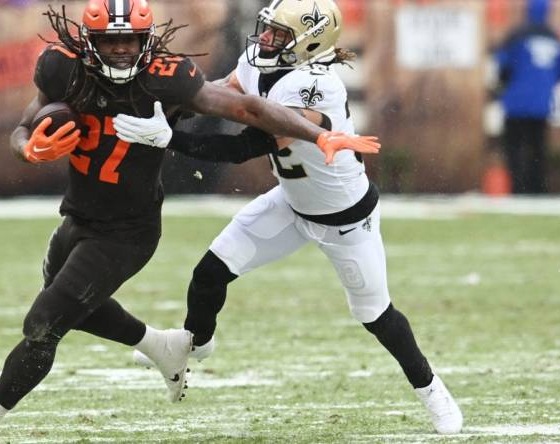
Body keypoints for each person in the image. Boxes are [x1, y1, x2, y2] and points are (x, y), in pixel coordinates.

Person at [0, 1, 379, 442]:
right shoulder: (63, 68)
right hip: (77, 216)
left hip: (128, 232)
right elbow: (22, 126)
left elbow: (246, 108)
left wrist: (320, 133)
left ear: (145, 40)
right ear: (89, 42)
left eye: (127, 41)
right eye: (109, 42)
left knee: (43, 322)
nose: (119, 52)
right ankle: (159, 345)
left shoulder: (166, 77)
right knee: (74, 308)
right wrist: (28, 149)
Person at [121, 0, 463, 435]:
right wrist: (163, 106)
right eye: (266, 30)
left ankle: (432, 391)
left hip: (345, 221)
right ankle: (194, 345)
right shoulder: (258, 60)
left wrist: (172, 139)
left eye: (278, 36)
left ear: (310, 43)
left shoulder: (315, 85)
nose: (265, 40)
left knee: (375, 315)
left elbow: (248, 144)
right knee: (209, 273)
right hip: (290, 202)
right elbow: (215, 96)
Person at [495, 0, 560, 194]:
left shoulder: (516, 35)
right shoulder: (554, 38)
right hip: (541, 104)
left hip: (516, 103)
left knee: (515, 148)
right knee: (538, 149)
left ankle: (518, 190)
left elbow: (502, 67)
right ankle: (537, 189)